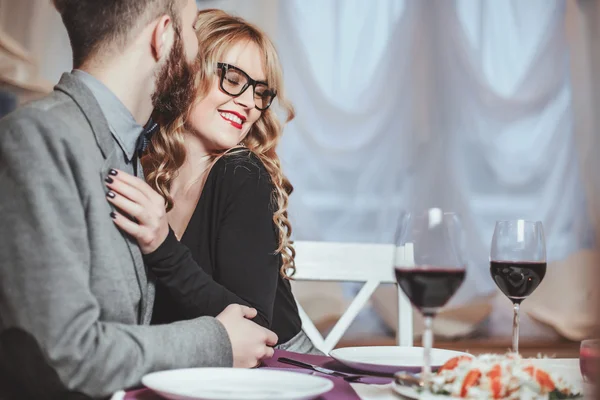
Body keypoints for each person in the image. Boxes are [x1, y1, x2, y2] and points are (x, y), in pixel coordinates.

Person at [0, 1, 277, 398]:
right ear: (163, 36)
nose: (197, 51)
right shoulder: (38, 138)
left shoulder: (127, 154)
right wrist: (214, 341)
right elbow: (63, 353)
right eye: (193, 29)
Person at [106, 9, 321, 354]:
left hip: (284, 374)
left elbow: (254, 333)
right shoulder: (143, 173)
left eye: (260, 92)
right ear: (186, 71)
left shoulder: (243, 174)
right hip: (193, 373)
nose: (250, 103)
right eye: (233, 79)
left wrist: (163, 247)